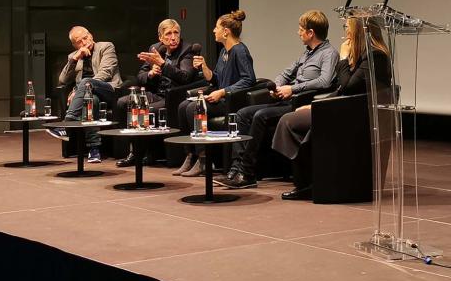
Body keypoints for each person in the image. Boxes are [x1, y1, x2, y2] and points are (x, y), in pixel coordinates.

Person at [218, 10, 339, 190]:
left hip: (300, 103)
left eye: (301, 29)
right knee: (242, 114)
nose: (298, 32)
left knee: (260, 115)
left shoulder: (329, 53)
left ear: (310, 33)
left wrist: (292, 89)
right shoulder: (306, 54)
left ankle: (247, 173)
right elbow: (285, 73)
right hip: (286, 99)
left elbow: (324, 81)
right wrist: (277, 86)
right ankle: (235, 168)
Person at [273, 18, 392, 201]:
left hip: (354, 115)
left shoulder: (375, 56)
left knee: (289, 122)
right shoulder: (363, 54)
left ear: (360, 30)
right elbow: (341, 89)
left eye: (347, 27)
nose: (345, 31)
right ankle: (309, 180)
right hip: (341, 108)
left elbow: (348, 87)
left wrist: (344, 58)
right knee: (289, 121)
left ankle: (309, 182)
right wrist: (315, 104)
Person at [173, 10, 256, 177]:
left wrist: (223, 92)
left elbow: (249, 79)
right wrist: (204, 67)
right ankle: (190, 155)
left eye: (216, 27)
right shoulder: (224, 52)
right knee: (183, 106)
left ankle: (204, 159)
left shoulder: (240, 51)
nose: (213, 30)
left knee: (193, 109)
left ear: (226, 31)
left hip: (232, 101)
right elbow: (216, 79)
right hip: (221, 98)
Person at [113, 19, 198, 168]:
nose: (173, 37)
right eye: (168, 34)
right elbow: (140, 76)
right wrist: (151, 74)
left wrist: (163, 64)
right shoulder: (156, 48)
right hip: (156, 93)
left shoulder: (187, 50)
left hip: (174, 96)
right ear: (160, 37)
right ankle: (134, 151)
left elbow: (185, 77)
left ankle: (149, 153)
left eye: (176, 33)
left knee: (146, 110)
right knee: (123, 103)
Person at [52, 26, 122, 164]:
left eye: (85, 38)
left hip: (108, 90)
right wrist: (74, 59)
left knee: (86, 83)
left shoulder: (106, 47)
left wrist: (82, 88)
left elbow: (105, 73)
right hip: (88, 95)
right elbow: (62, 80)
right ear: (74, 45)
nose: (84, 43)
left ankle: (66, 124)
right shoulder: (74, 56)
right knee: (91, 100)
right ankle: (94, 149)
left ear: (91, 35)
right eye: (79, 41)